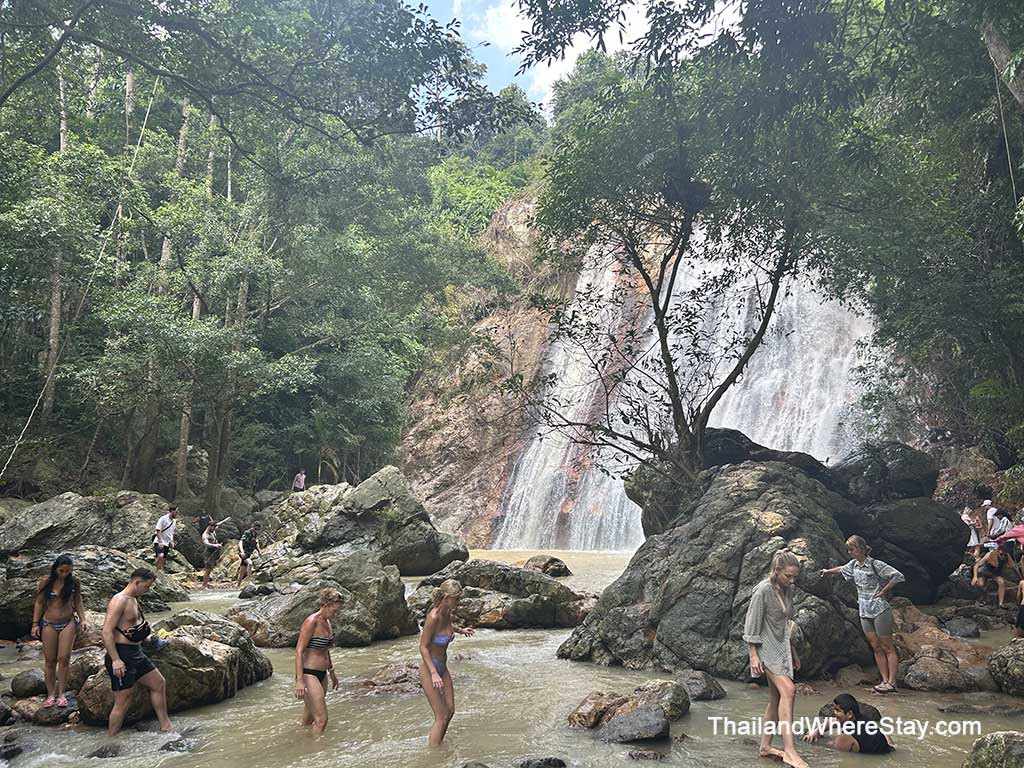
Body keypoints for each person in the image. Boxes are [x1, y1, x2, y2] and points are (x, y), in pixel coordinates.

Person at [743, 549, 807, 768]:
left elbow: (785, 624)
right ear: (776, 570)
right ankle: (789, 751)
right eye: (788, 576)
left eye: (795, 576)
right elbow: (751, 625)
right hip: (764, 648)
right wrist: (753, 655)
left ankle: (765, 746)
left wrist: (794, 652)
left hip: (781, 647)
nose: (792, 580)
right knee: (789, 690)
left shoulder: (788, 590)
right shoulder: (762, 591)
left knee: (775, 698)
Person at [820, 536, 905, 694]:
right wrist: (827, 572)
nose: (849, 552)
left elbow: (897, 576)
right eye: (849, 549)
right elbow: (840, 569)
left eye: (851, 549)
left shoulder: (875, 564)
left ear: (860, 548)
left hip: (880, 609)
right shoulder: (853, 565)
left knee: (887, 647)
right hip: (864, 610)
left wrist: (883, 591)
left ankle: (892, 683)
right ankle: (884, 680)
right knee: (876, 647)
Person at [102, 568, 172, 736]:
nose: (147, 590)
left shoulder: (133, 599)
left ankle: (166, 725)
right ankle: (112, 738)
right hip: (122, 654)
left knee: (159, 683)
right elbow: (106, 631)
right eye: (146, 586)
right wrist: (116, 660)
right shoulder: (119, 600)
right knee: (123, 701)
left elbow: (131, 627)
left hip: (136, 652)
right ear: (137, 582)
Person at [418, 579, 474, 746]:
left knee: (450, 711)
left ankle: (439, 746)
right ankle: (433, 755)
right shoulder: (433, 617)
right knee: (441, 716)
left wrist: (461, 630)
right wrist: (434, 673)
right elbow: (423, 647)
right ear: (447, 598)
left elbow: (448, 627)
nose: (459, 602)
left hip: (443, 667)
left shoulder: (447, 613)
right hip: (430, 669)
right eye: (456, 599)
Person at [30, 554, 87, 708]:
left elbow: (78, 602)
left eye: (68, 571)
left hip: (68, 622)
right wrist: (35, 624)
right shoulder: (46, 582)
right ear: (55, 569)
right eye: (61, 571)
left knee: (64, 658)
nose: (64, 574)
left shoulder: (74, 583)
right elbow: (40, 603)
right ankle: (50, 695)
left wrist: (83, 620)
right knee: (50, 660)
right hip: (49, 623)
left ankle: (61, 694)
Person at [293, 588, 344, 735]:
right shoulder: (311, 622)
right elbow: (299, 651)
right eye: (335, 610)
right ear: (325, 605)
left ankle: (299, 742)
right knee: (322, 719)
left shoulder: (327, 623)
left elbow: (325, 650)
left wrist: (332, 673)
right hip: (309, 674)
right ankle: (316, 751)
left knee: (309, 718)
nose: (336, 613)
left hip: (322, 675)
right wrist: (300, 680)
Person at [803, 693, 894, 754]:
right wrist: (816, 731)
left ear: (849, 714)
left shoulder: (847, 737)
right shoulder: (860, 718)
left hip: (876, 756)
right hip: (886, 747)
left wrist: (812, 741)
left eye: (837, 710)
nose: (834, 712)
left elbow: (832, 748)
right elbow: (833, 721)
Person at [236, 522, 262, 587]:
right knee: (250, 563)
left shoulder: (255, 534)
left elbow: (254, 543)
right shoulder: (247, 533)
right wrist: (242, 552)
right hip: (243, 552)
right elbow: (241, 542)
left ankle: (237, 585)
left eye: (258, 529)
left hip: (249, 553)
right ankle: (249, 582)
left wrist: (259, 551)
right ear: (253, 527)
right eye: (255, 528)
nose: (256, 530)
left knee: (242, 571)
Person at [153, 506, 178, 571]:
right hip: (159, 541)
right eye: (176, 512)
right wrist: (160, 541)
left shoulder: (174, 521)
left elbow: (172, 532)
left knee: (163, 559)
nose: (176, 514)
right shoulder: (163, 518)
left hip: (167, 543)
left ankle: (158, 570)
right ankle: (154, 569)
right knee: (160, 555)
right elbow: (158, 530)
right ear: (172, 511)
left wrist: (171, 541)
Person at [201, 521, 223, 589]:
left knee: (210, 569)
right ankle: (204, 586)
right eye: (214, 527)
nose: (215, 529)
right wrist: (215, 545)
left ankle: (206, 584)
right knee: (207, 569)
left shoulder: (212, 530)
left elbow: (218, 524)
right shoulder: (205, 535)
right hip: (208, 554)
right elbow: (206, 544)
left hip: (214, 553)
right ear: (210, 526)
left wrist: (225, 520)